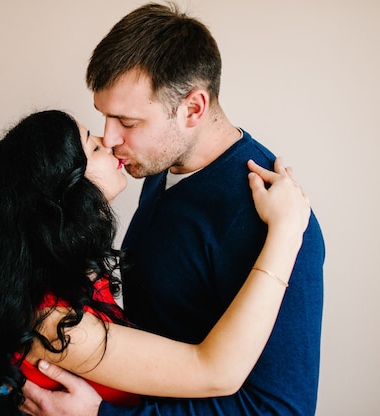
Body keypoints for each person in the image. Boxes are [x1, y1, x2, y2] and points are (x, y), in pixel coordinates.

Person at [20, 3, 325, 416]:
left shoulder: (270, 220)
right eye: (104, 118)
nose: (109, 138)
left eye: (127, 122)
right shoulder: (159, 170)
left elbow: (280, 410)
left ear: (193, 109)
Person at [0, 109, 311, 415]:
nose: (110, 141)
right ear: (63, 195)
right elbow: (216, 372)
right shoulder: (54, 325)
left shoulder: (58, 271)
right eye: (94, 146)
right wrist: (287, 231)